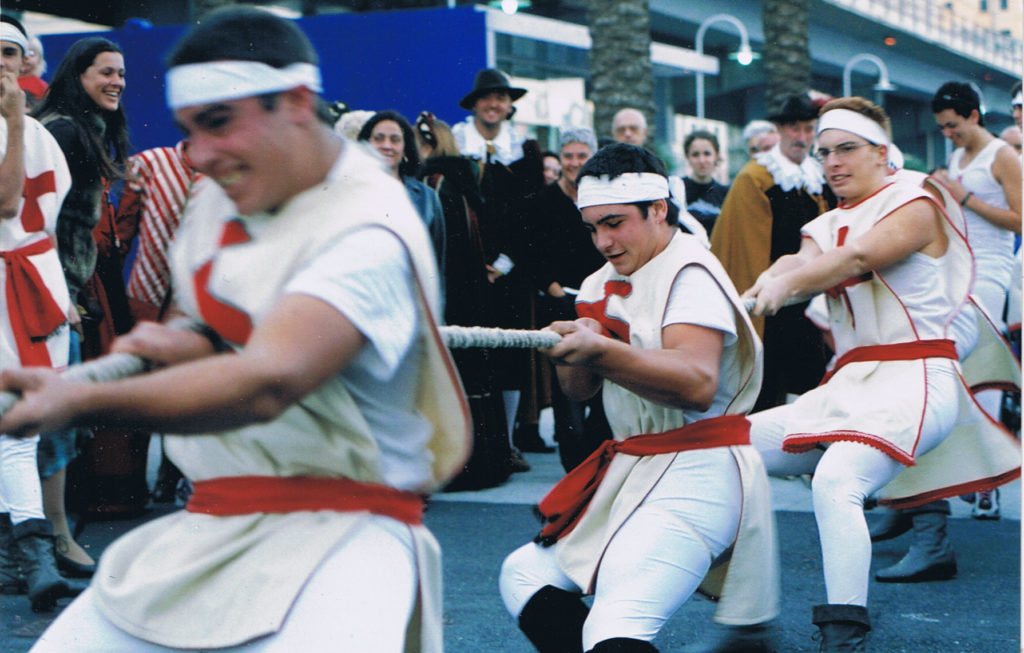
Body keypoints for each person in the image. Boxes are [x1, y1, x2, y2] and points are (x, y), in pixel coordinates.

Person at [0, 7, 471, 651]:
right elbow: (219, 325)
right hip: (211, 524)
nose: (202, 151)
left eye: (221, 122)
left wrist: (77, 397)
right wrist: (178, 341)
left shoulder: (370, 221)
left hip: (344, 534)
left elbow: (268, 382)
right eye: (192, 129)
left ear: (297, 103)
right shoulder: (222, 192)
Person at [743, 97, 1020, 652]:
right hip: (851, 385)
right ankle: (738, 611)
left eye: (847, 148)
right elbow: (795, 263)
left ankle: (843, 636)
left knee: (837, 481)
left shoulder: (916, 200)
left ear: (882, 151)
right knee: (724, 448)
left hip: (917, 378)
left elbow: (854, 259)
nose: (833, 162)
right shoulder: (827, 221)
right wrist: (749, 292)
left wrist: (783, 288)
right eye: (824, 153)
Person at [499, 143, 777, 653]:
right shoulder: (596, 283)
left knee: (616, 619)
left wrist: (601, 351)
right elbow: (581, 391)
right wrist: (573, 356)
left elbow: (696, 385)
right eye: (592, 228)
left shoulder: (691, 271)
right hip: (635, 466)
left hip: (701, 467)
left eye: (614, 223)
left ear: (658, 210)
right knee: (522, 576)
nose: (602, 241)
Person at [32, 35, 138, 547]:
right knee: (53, 421)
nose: (117, 82)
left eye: (121, 73)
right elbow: (39, 226)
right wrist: (61, 298)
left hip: (61, 292)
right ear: (78, 76)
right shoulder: (67, 132)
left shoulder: (83, 129)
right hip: (46, 297)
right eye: (106, 73)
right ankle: (50, 537)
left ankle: (50, 535)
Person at [0, 16, 77, 612]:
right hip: (18, 284)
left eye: (10, 52)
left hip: (31, 286)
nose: (2, 62)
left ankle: (31, 557)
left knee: (17, 427)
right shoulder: (31, 129)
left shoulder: (43, 133)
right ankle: (33, 555)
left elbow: (42, 218)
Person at [931, 81, 1022, 519]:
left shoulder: (1003, 156)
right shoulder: (957, 156)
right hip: (955, 266)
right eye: (943, 129)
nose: (949, 134)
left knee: (980, 357)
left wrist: (962, 194)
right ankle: (966, 467)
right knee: (954, 366)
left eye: (953, 126)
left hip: (990, 268)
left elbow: (1020, 218)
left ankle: (989, 479)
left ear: (972, 116)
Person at [711, 93, 833, 411]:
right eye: (795, 128)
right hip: (770, 296)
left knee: (808, 382)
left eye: (809, 129)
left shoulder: (818, 177)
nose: (802, 137)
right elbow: (744, 249)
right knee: (767, 384)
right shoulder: (756, 178)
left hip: (810, 296)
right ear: (780, 130)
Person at [414, 110, 512, 490]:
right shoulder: (462, 181)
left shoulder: (436, 183)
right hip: (472, 294)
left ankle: (459, 465)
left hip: (450, 294)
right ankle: (482, 461)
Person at [453, 67, 546, 465]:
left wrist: (505, 263)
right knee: (465, 354)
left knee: (508, 356)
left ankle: (505, 443)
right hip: (462, 268)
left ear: (509, 107)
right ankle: (465, 446)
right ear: (475, 104)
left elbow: (531, 215)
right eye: (487, 97)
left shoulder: (525, 151)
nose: (494, 104)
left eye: (502, 98)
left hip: (510, 270)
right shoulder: (454, 144)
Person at [114, 139, 202, 503]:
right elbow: (124, 229)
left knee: (190, 391)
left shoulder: (230, 167)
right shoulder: (150, 164)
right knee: (144, 387)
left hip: (198, 300)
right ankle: (131, 482)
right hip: (148, 294)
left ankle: (176, 472)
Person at [527, 127, 610, 472]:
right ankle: (574, 466)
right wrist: (556, 291)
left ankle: (597, 455)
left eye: (581, 156)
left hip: (603, 301)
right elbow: (532, 254)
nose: (574, 163)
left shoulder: (605, 199)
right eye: (569, 156)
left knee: (605, 384)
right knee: (568, 390)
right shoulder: (543, 202)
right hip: (561, 301)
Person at [357, 110, 446, 279]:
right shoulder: (348, 193)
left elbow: (436, 266)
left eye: (395, 140)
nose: (387, 145)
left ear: (405, 149)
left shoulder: (427, 198)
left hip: (410, 299)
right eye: (378, 138)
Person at [681, 130, 729, 234]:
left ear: (716, 156)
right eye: (695, 154)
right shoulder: (678, 189)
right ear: (687, 157)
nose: (701, 160)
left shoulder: (726, 194)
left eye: (707, 154)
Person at [17, 33, 47, 109]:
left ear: (40, 60)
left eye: (31, 54)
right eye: (22, 53)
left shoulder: (41, 85)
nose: (26, 57)